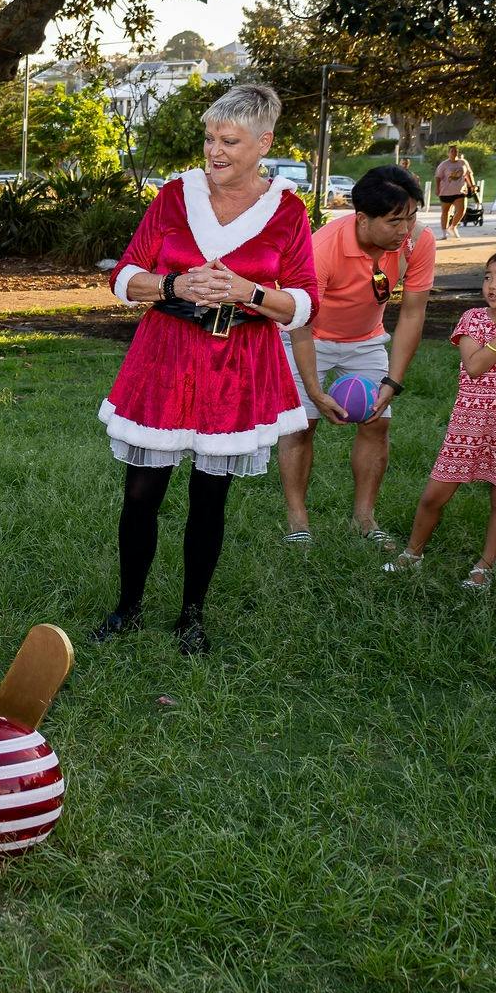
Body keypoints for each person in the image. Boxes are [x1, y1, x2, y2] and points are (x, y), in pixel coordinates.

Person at [93, 83, 315, 654]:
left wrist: (249, 291)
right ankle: (127, 607)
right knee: (141, 492)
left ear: (264, 143)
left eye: (230, 141)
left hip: (236, 363)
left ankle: (191, 614)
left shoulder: (288, 211)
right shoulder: (174, 196)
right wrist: (175, 284)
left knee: (210, 498)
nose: (215, 151)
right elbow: (123, 276)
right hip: (166, 355)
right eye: (211, 138)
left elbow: (304, 302)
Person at [279, 164, 433, 544]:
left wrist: (393, 381)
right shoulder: (321, 249)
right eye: (395, 220)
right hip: (308, 336)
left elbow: (412, 314)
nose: (405, 229)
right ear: (362, 218)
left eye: (411, 217)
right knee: (301, 425)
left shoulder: (417, 242)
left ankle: (364, 518)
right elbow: (300, 323)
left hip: (365, 339)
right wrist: (315, 391)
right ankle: (298, 520)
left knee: (378, 423)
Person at [382, 241, 496, 587]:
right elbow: (474, 366)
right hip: (468, 425)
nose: (491, 285)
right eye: (487, 277)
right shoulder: (473, 319)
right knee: (434, 495)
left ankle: (484, 567)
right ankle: (412, 553)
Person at [433, 144, 474, 239]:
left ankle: (453, 227)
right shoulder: (444, 164)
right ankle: (444, 232)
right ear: (448, 153)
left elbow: (468, 174)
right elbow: (438, 177)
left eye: (456, 151)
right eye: (452, 151)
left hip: (460, 191)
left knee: (461, 210)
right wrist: (437, 188)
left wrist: (472, 185)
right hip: (446, 192)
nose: (454, 153)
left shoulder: (463, 162)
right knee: (445, 212)